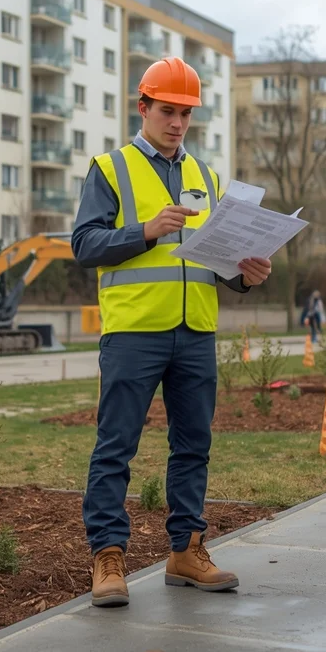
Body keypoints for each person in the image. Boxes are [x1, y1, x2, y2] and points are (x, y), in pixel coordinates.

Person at [71, 56, 272, 607]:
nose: (178, 122)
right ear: (143, 108)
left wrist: (245, 274)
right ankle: (108, 558)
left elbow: (213, 258)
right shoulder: (109, 169)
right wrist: (145, 229)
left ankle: (187, 550)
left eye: (186, 113)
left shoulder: (206, 178)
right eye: (168, 111)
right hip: (134, 331)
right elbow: (84, 245)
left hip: (196, 332)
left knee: (194, 446)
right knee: (116, 447)